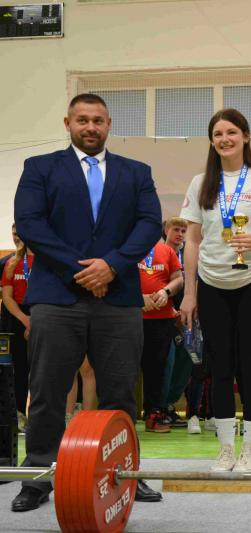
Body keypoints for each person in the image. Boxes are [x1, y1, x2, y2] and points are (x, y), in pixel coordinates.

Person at [12, 93, 163, 511]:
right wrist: (84, 270)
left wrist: (111, 266)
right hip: (56, 298)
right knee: (47, 390)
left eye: (98, 120)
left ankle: (125, 472)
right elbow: (30, 224)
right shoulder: (40, 168)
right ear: (68, 123)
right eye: (82, 120)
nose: (90, 127)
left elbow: (150, 223)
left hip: (118, 299)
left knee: (120, 393)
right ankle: (39, 476)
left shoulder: (136, 172)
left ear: (109, 124)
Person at [180, 108, 251, 472]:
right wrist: (190, 292)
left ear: (245, 136)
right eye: (218, 134)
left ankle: (250, 451)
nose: (224, 139)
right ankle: (226, 449)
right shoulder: (200, 183)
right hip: (212, 285)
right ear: (212, 141)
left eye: (231, 132)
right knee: (220, 368)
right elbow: (192, 241)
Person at [138, 239, 184, 433]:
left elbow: (178, 279)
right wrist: (137, 298)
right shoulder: (128, 245)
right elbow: (118, 276)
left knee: (157, 369)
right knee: (125, 368)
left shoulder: (167, 251)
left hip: (161, 318)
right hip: (131, 316)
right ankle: (122, 416)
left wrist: (166, 291)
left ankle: (153, 414)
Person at [159, 217, 191, 428]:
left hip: (186, 317)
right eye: (176, 230)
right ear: (166, 231)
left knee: (187, 361)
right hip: (163, 316)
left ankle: (170, 404)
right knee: (166, 363)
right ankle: (159, 408)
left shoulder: (189, 254)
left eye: (183, 231)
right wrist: (171, 311)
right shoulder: (158, 253)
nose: (180, 234)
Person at [0, 238, 34, 432]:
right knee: (20, 368)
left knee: (43, 369)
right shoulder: (12, 262)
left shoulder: (47, 260)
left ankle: (41, 416)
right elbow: (7, 296)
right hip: (18, 317)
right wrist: (24, 320)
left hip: (43, 314)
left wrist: (36, 320)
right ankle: (20, 413)